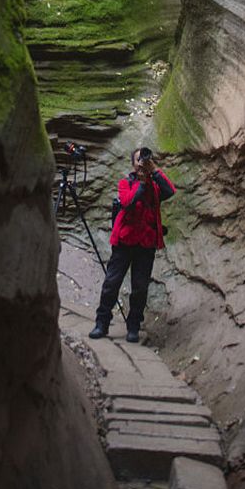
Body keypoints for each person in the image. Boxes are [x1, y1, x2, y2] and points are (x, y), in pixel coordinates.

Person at [89, 146, 176, 344]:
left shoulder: (155, 187)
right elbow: (127, 202)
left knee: (140, 287)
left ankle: (133, 326)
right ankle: (102, 322)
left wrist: (154, 171)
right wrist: (142, 184)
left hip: (145, 244)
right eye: (138, 160)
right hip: (124, 242)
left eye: (144, 160)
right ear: (132, 164)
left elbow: (169, 191)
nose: (141, 163)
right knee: (112, 283)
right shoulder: (125, 183)